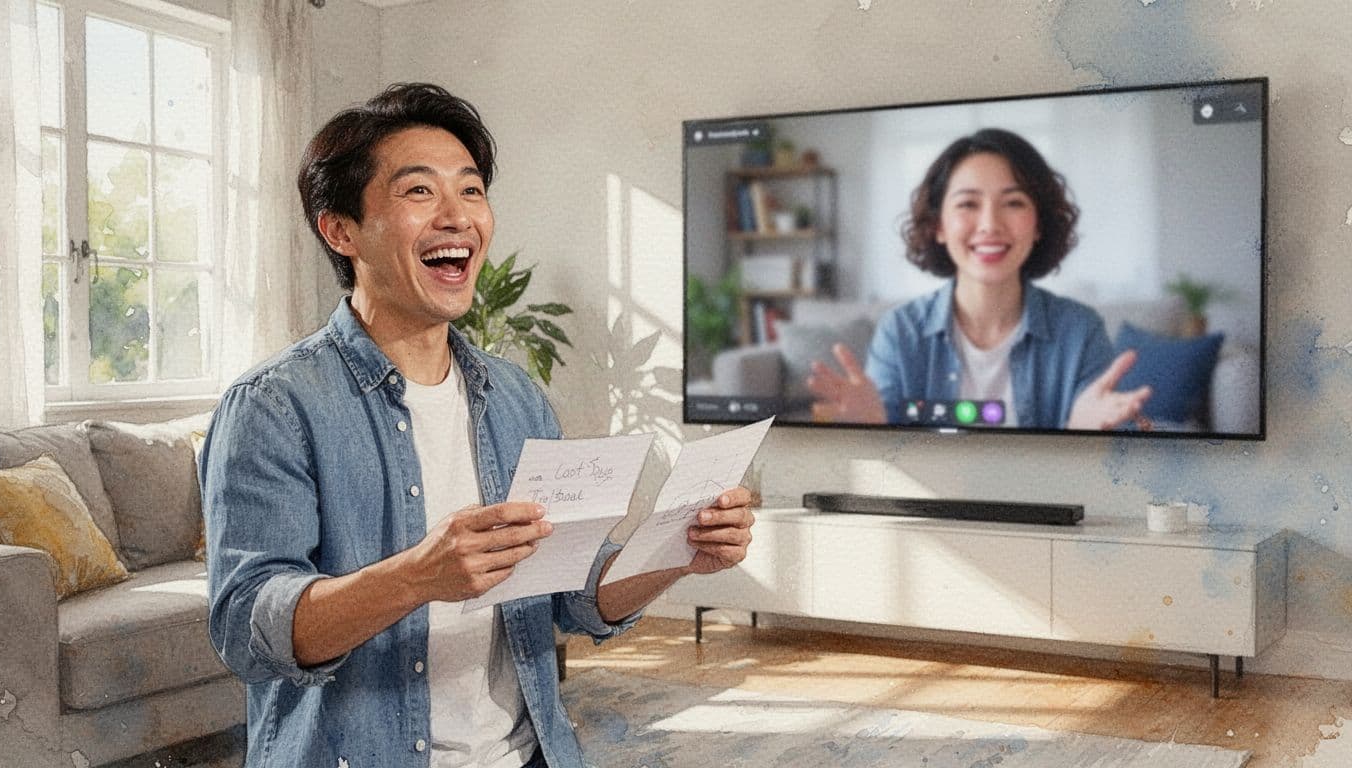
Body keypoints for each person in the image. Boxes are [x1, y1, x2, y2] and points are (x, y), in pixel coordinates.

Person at [200, 83, 756, 768]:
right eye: (418, 193)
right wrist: (416, 577)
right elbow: (245, 628)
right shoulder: (274, 405)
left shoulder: (515, 397)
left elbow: (571, 596)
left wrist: (676, 553)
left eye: (470, 190)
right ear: (341, 230)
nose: (457, 217)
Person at [807, 128, 1152, 431]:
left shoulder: (1081, 331)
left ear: (1039, 225)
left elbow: (1100, 472)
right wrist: (871, 431)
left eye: (1013, 202)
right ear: (938, 226)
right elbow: (886, 472)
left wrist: (1086, 437)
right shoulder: (900, 332)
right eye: (968, 204)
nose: (989, 224)